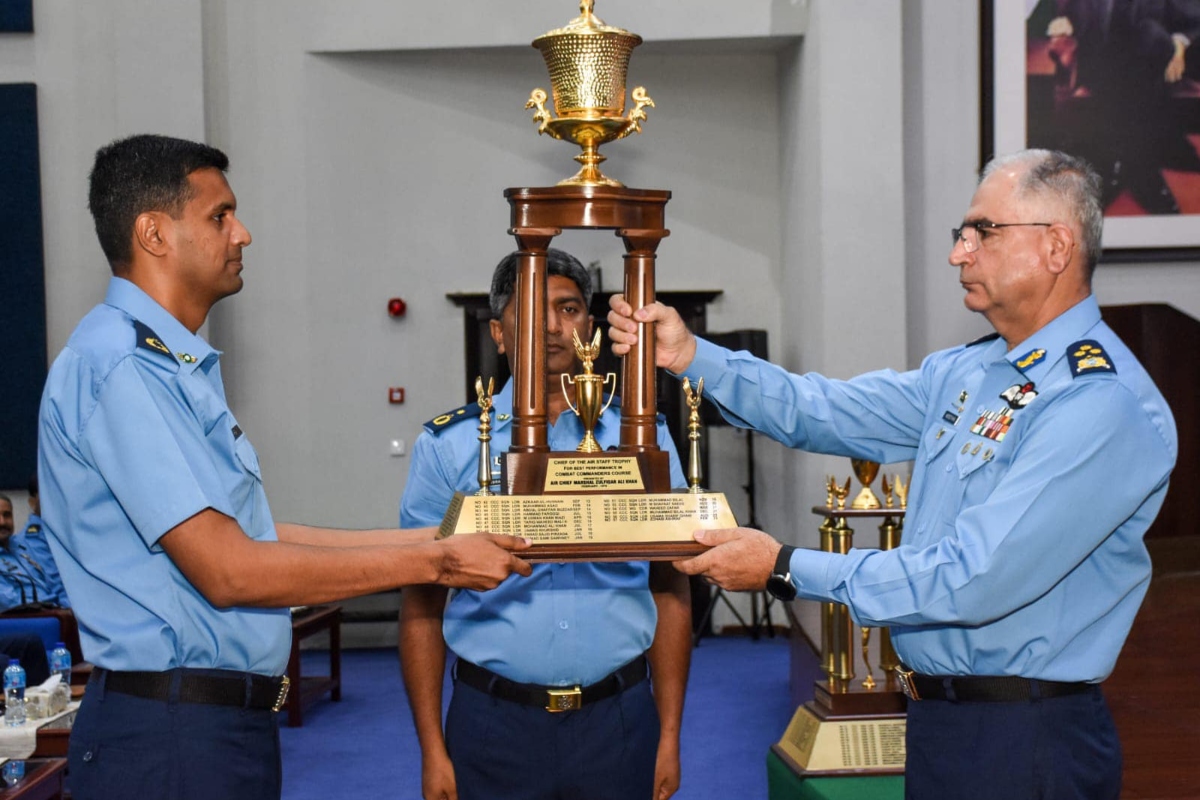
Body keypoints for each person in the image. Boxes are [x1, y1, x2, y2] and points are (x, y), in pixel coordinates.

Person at [608, 149, 1177, 800]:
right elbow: (826, 410)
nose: (958, 253)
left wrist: (785, 566)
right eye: (961, 234)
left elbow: (974, 576)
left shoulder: (1097, 402)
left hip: (1026, 739)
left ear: (1055, 247)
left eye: (982, 232)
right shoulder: (971, 372)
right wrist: (692, 356)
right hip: (941, 722)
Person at [37, 133, 532, 800]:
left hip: (210, 727)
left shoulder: (167, 368)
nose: (243, 234)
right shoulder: (123, 368)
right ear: (153, 233)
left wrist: (443, 537)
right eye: (220, 216)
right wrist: (437, 564)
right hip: (171, 738)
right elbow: (230, 570)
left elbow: (259, 536)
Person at [400, 249, 692, 800]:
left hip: (619, 717)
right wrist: (432, 748)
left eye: (570, 308)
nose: (554, 326)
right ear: (499, 333)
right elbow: (422, 602)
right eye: (533, 308)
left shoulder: (642, 440)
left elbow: (670, 584)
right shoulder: (450, 446)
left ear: (592, 327)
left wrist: (670, 733)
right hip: (494, 723)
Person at [11, 475, 70, 608]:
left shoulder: (71, 531)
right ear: (32, 502)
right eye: (47, 494)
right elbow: (59, 588)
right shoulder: (30, 542)